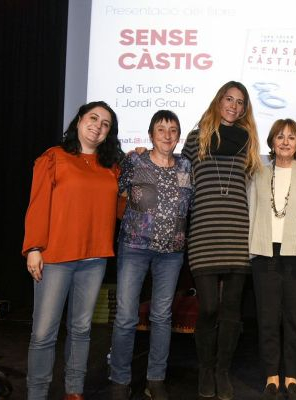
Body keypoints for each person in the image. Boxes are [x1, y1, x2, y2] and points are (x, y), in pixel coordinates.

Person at [22, 101, 124, 400]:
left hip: (94, 259)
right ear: (79, 120)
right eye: (93, 118)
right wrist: (34, 248)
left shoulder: (111, 167)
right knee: (44, 333)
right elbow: (38, 204)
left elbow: (119, 210)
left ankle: (74, 391)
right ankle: (37, 394)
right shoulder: (54, 157)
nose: (98, 126)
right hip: (55, 258)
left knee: (81, 330)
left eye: (105, 124)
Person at [181, 81, 262, 400]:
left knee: (231, 310)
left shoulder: (248, 142)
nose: (233, 106)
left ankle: (222, 371)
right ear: (218, 101)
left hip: (237, 234)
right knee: (209, 308)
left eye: (240, 102)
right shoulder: (196, 138)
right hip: (204, 234)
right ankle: (205, 368)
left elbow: (259, 182)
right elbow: (179, 178)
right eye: (229, 99)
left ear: (244, 109)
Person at [109, 110, 193, 400]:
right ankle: (119, 380)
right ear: (150, 135)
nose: (167, 135)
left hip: (171, 253)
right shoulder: (135, 161)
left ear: (179, 135)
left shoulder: (186, 166)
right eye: (161, 129)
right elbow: (111, 191)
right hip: (134, 248)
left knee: (161, 316)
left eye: (173, 130)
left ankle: (155, 379)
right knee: (125, 317)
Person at [248, 119, 296, 400]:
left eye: (291, 137)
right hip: (264, 255)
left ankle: (292, 374)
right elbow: (250, 213)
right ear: (272, 141)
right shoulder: (258, 175)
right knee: (267, 319)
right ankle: (271, 374)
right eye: (280, 136)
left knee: (295, 319)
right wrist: (249, 252)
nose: (285, 142)